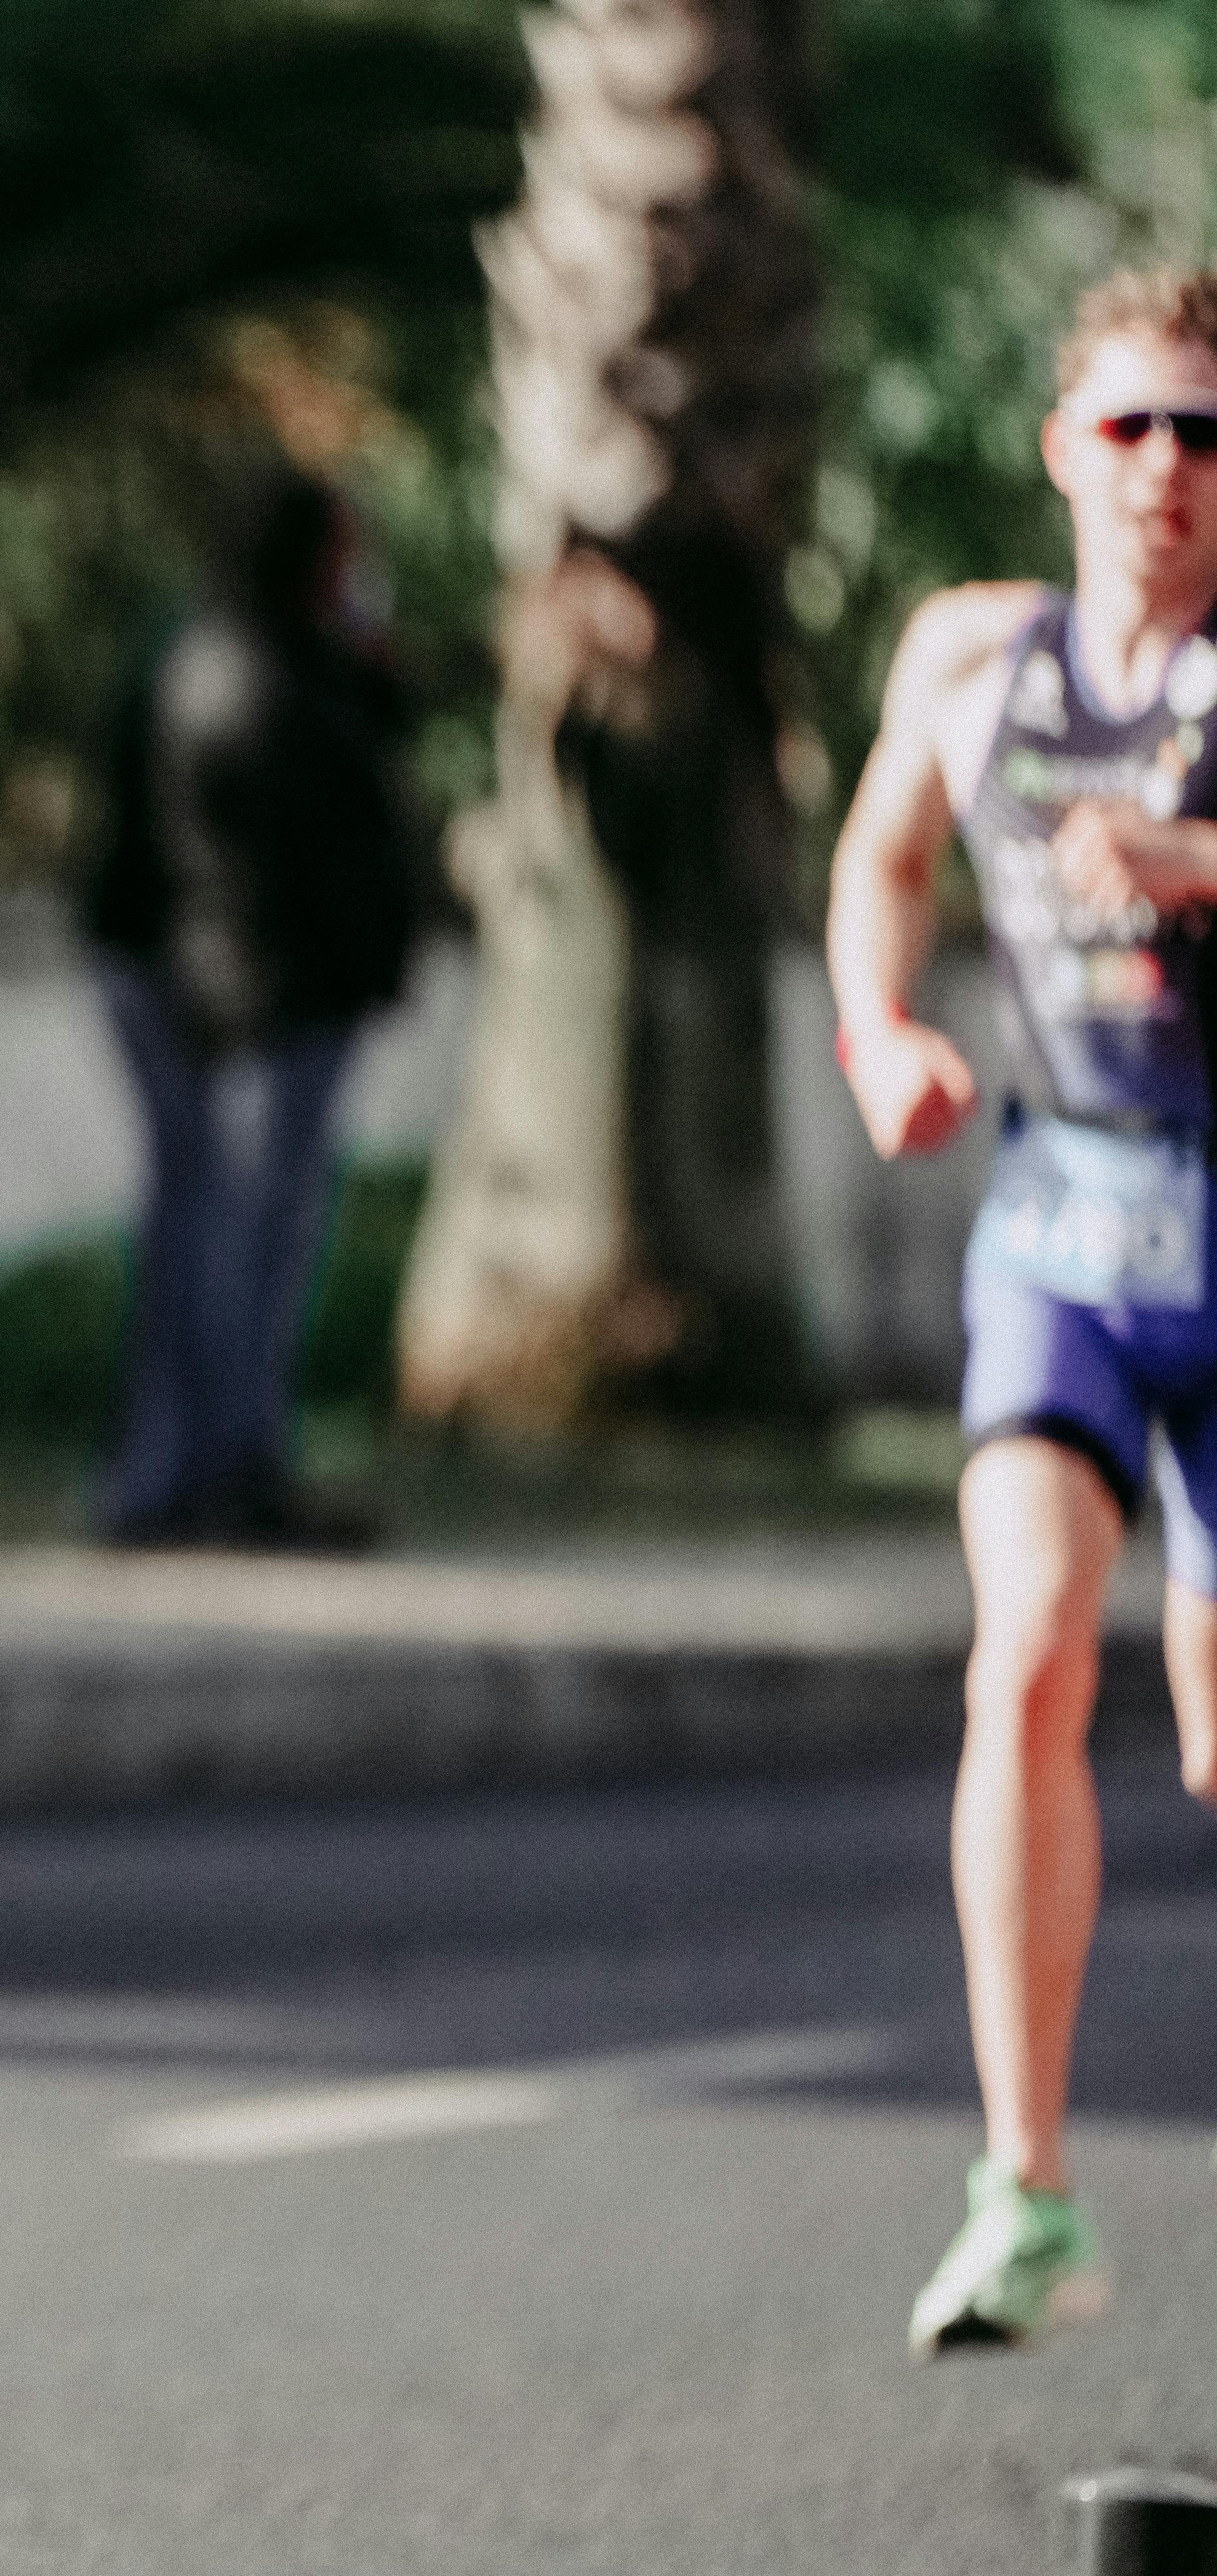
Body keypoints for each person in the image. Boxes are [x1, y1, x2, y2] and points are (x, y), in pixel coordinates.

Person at [829, 267, 1217, 2354]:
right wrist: (878, 1024)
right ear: (1065, 443)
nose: (1170, 470)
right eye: (1134, 426)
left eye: (1209, 435)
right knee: (1032, 1657)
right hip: (1067, 1222)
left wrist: (1199, 869)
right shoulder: (974, 656)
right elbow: (886, 853)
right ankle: (1027, 2189)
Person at [79, 469, 416, 1547]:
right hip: (258, 1003)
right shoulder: (233, 673)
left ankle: (195, 1472)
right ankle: (213, 1473)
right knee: (232, 1239)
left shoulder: (270, 658)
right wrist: (238, 1005)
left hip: (264, 994)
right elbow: (232, 874)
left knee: (226, 1232)